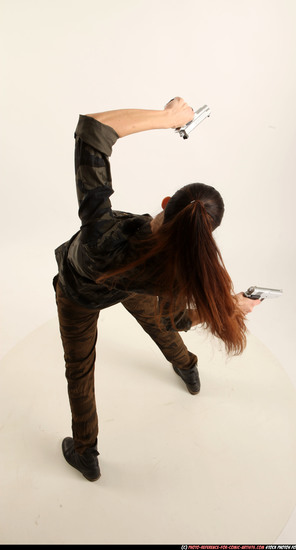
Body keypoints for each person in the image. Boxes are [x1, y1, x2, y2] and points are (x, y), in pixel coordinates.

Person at [54, 97, 261, 482]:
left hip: (79, 293)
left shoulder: (102, 236)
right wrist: (231, 306)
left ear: (166, 202)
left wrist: (169, 118)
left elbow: (93, 131)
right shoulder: (175, 272)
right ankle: (188, 368)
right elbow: (180, 319)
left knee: (79, 370)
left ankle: (86, 453)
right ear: (203, 234)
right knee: (162, 323)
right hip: (136, 286)